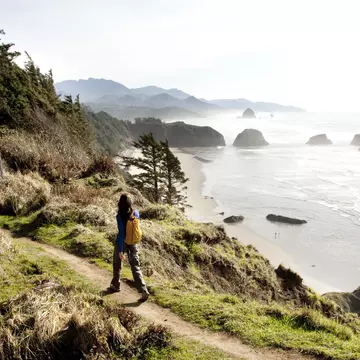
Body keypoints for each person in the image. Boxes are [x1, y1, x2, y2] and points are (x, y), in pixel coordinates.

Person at [110, 194, 149, 301]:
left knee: (117, 264)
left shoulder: (119, 215)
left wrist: (121, 250)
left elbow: (122, 233)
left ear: (120, 203)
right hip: (133, 243)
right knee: (135, 266)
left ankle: (115, 285)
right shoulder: (135, 213)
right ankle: (143, 290)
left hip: (122, 243)